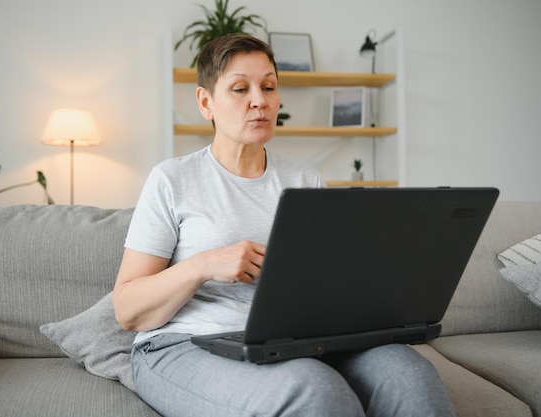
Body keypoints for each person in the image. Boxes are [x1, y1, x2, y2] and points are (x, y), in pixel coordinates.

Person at [113, 33, 456, 417]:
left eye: (269, 86)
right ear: (206, 102)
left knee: (410, 374)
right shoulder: (172, 179)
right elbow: (127, 310)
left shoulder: (305, 182)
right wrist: (204, 265)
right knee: (314, 391)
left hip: (294, 342)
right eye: (240, 88)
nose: (259, 100)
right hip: (183, 344)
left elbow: (329, 287)